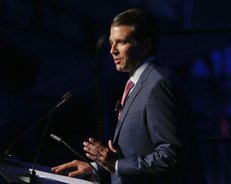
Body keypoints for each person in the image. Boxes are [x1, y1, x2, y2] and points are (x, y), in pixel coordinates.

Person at [51, 8, 206, 184]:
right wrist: (97, 168)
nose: (112, 50)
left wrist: (116, 164)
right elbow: (137, 152)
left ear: (145, 45)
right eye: (111, 43)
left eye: (121, 42)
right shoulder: (138, 83)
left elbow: (170, 156)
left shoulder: (159, 84)